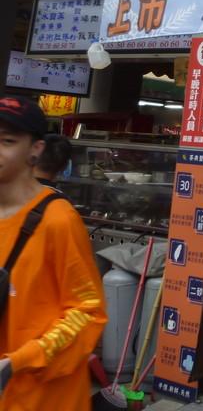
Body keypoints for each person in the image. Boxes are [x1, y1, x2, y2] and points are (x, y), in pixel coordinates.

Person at [0, 95, 106, 409]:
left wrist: (19, 361)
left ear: (35, 150)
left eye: (7, 141)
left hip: (42, 398)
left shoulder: (58, 220)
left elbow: (87, 313)